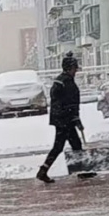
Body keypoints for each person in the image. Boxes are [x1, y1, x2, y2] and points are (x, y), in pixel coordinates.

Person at [36, 52, 84, 184]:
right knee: (60, 146)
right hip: (65, 120)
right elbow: (70, 103)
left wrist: (73, 118)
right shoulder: (66, 83)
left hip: (63, 119)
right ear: (69, 69)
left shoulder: (61, 81)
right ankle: (43, 171)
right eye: (74, 68)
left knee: (74, 144)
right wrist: (75, 118)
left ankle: (81, 170)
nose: (76, 71)